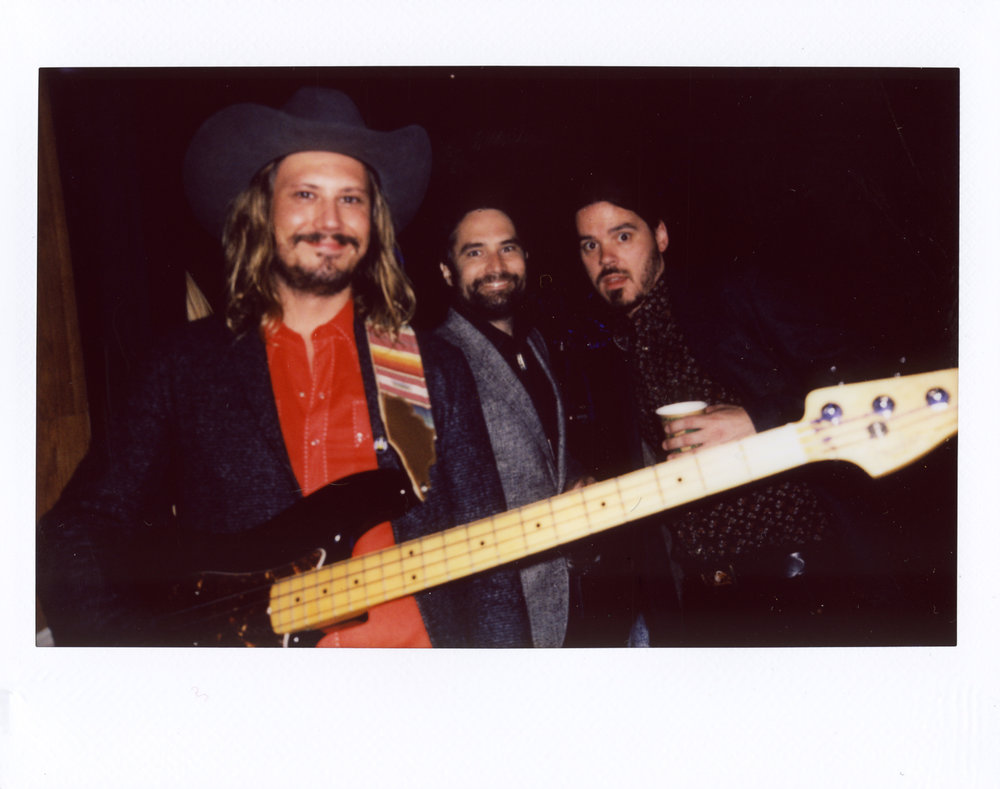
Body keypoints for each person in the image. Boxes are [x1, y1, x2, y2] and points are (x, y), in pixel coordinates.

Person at [36, 87, 533, 648]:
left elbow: (490, 563)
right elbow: (75, 530)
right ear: (262, 209)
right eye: (305, 194)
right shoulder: (183, 368)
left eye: (351, 198)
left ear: (374, 222)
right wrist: (125, 657)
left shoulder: (433, 367)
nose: (330, 219)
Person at [568, 175, 866, 646]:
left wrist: (754, 420)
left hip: (799, 580)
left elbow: (854, 372)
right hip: (707, 598)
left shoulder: (728, 292)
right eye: (590, 245)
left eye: (623, 236)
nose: (606, 259)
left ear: (660, 236)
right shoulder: (613, 352)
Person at [434, 206, 578, 647]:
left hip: (566, 600)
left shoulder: (533, 344)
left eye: (508, 248)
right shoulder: (434, 360)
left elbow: (537, 456)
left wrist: (572, 480)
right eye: (475, 252)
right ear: (447, 271)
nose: (496, 267)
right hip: (497, 620)